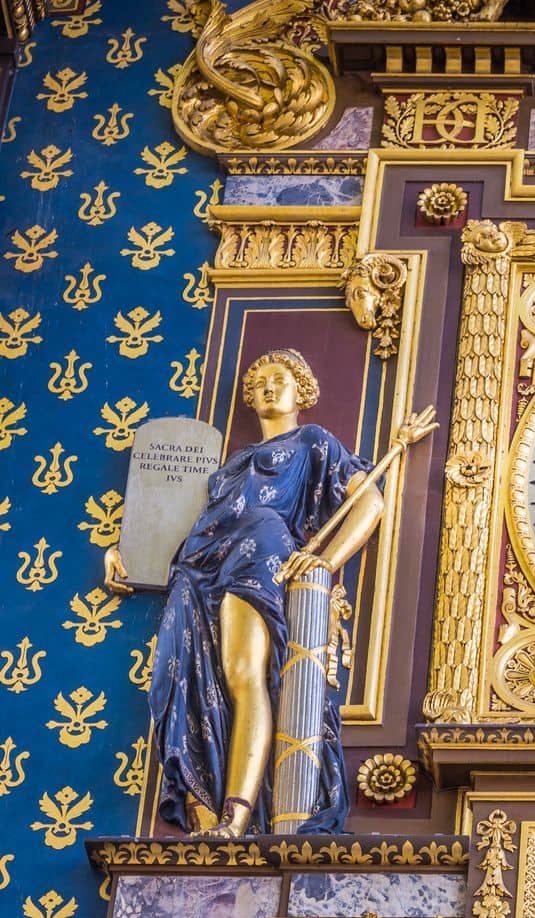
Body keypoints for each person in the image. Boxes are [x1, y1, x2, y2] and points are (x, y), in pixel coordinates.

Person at [106, 348, 423, 837]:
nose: (269, 388)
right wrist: (126, 552)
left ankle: (236, 815)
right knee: (189, 682)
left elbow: (370, 503)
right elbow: (179, 525)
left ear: (303, 392)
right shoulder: (232, 463)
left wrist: (324, 559)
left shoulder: (312, 441)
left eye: (281, 379)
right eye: (259, 384)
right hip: (196, 569)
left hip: (259, 550)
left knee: (243, 672)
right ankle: (206, 807)